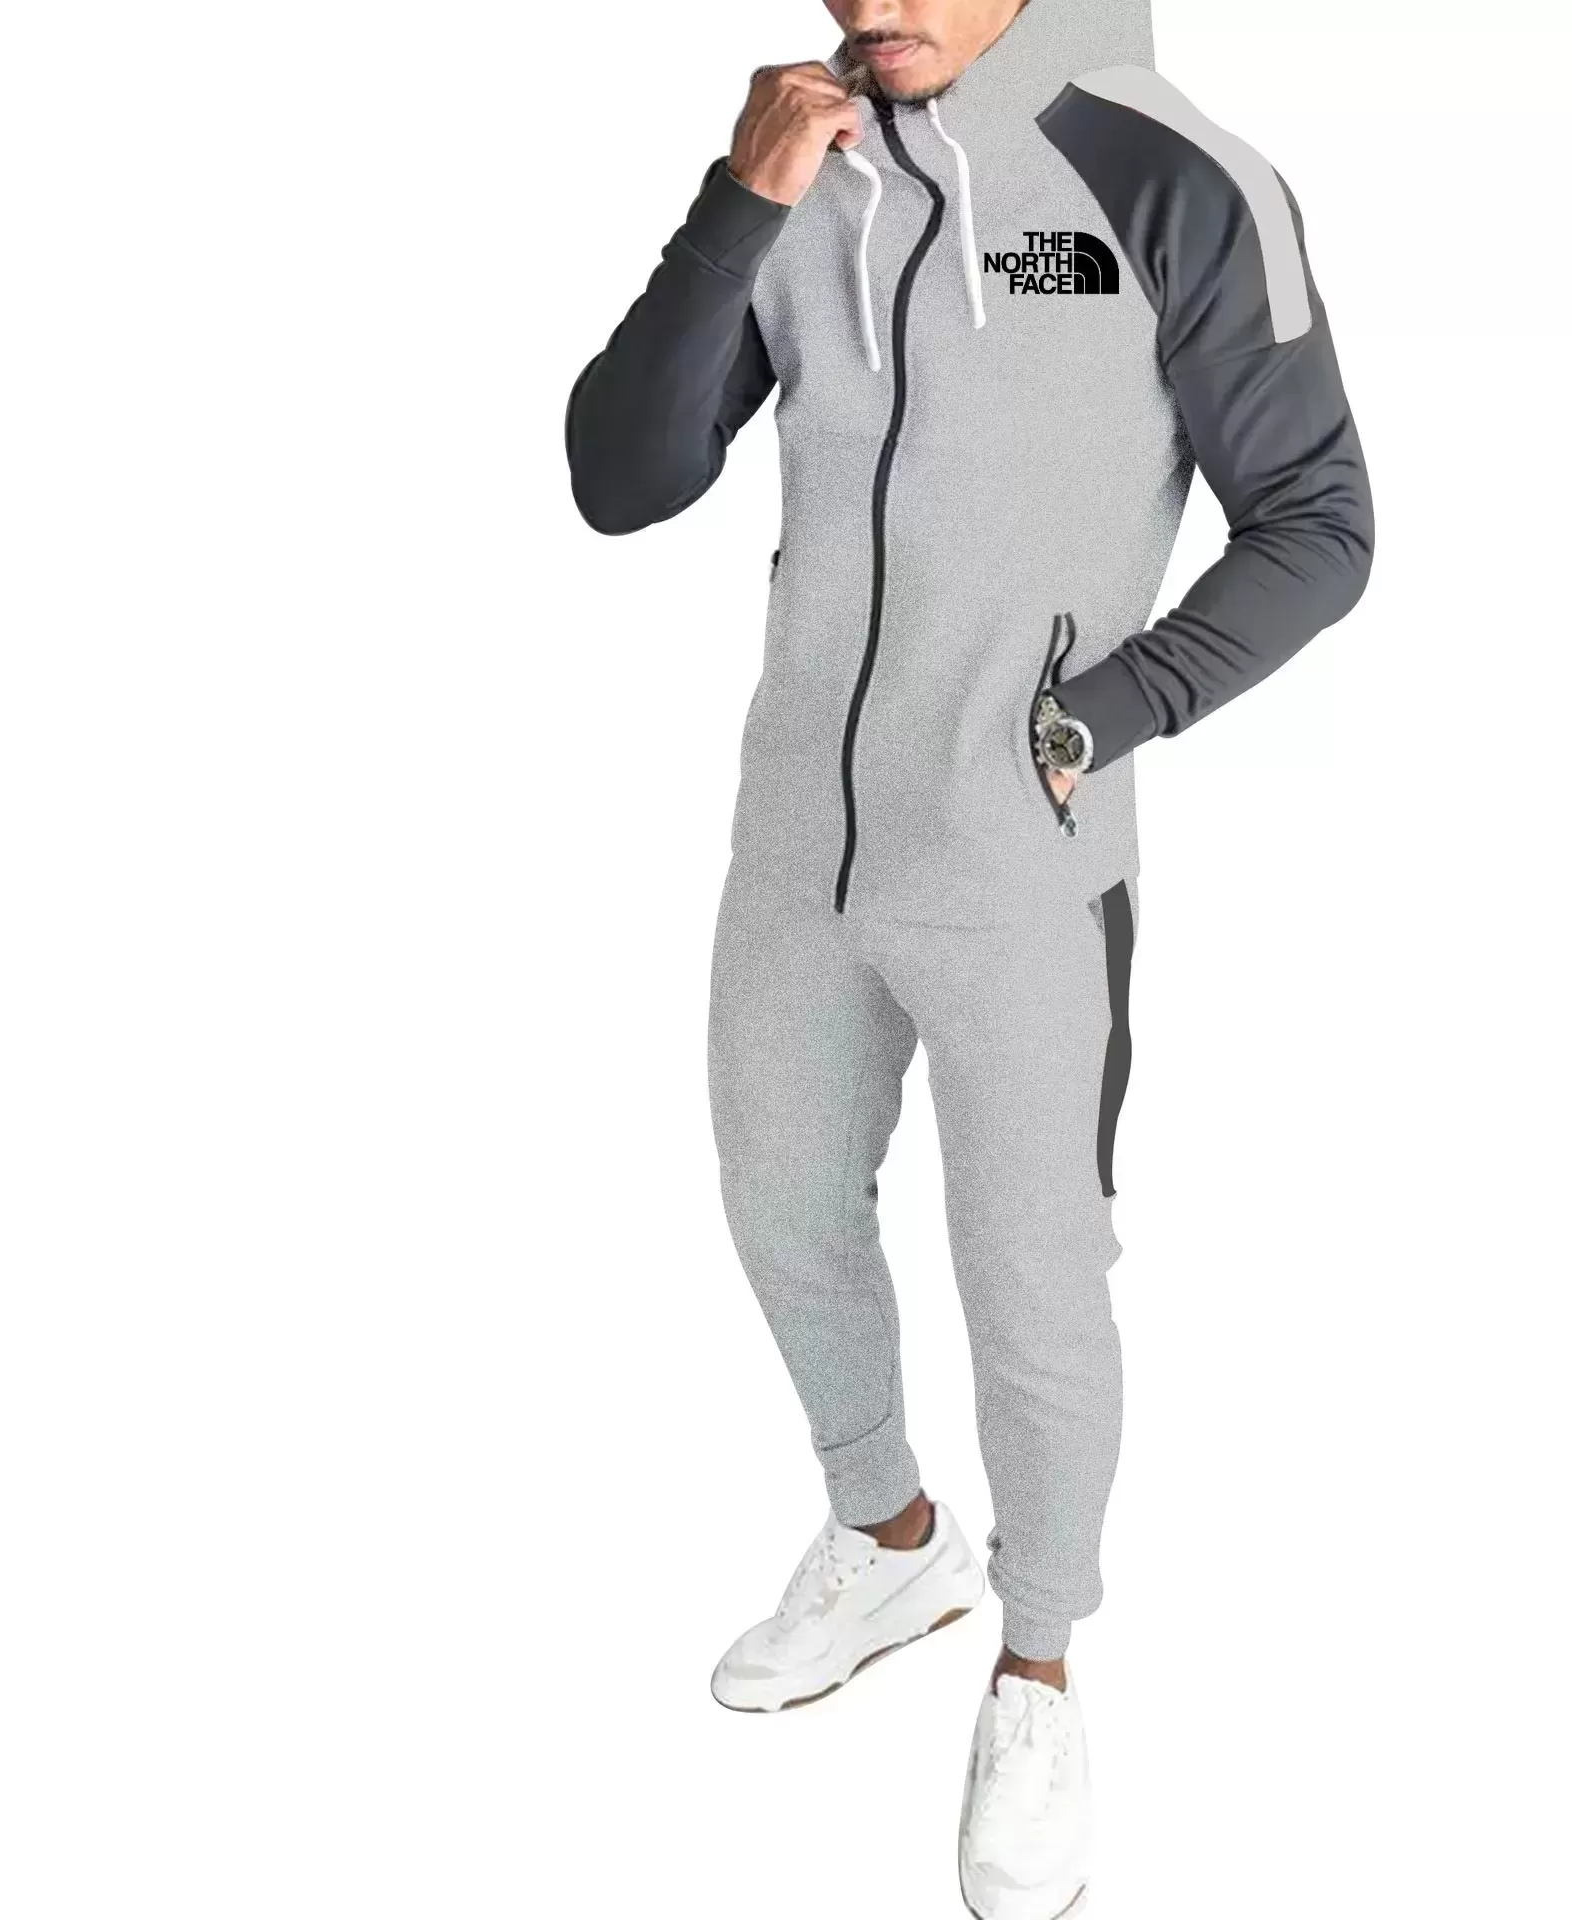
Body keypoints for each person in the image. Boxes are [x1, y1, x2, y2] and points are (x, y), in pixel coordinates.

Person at [564, 0, 1373, 1910]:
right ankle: (890, 1536)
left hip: (1021, 852)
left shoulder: (1167, 169)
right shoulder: (804, 165)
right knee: (781, 1205)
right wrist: (737, 206)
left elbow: (1321, 523)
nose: (871, 3)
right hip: (799, 842)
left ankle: (1039, 1668)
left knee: (1033, 1283)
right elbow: (622, 477)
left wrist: (1107, 712)